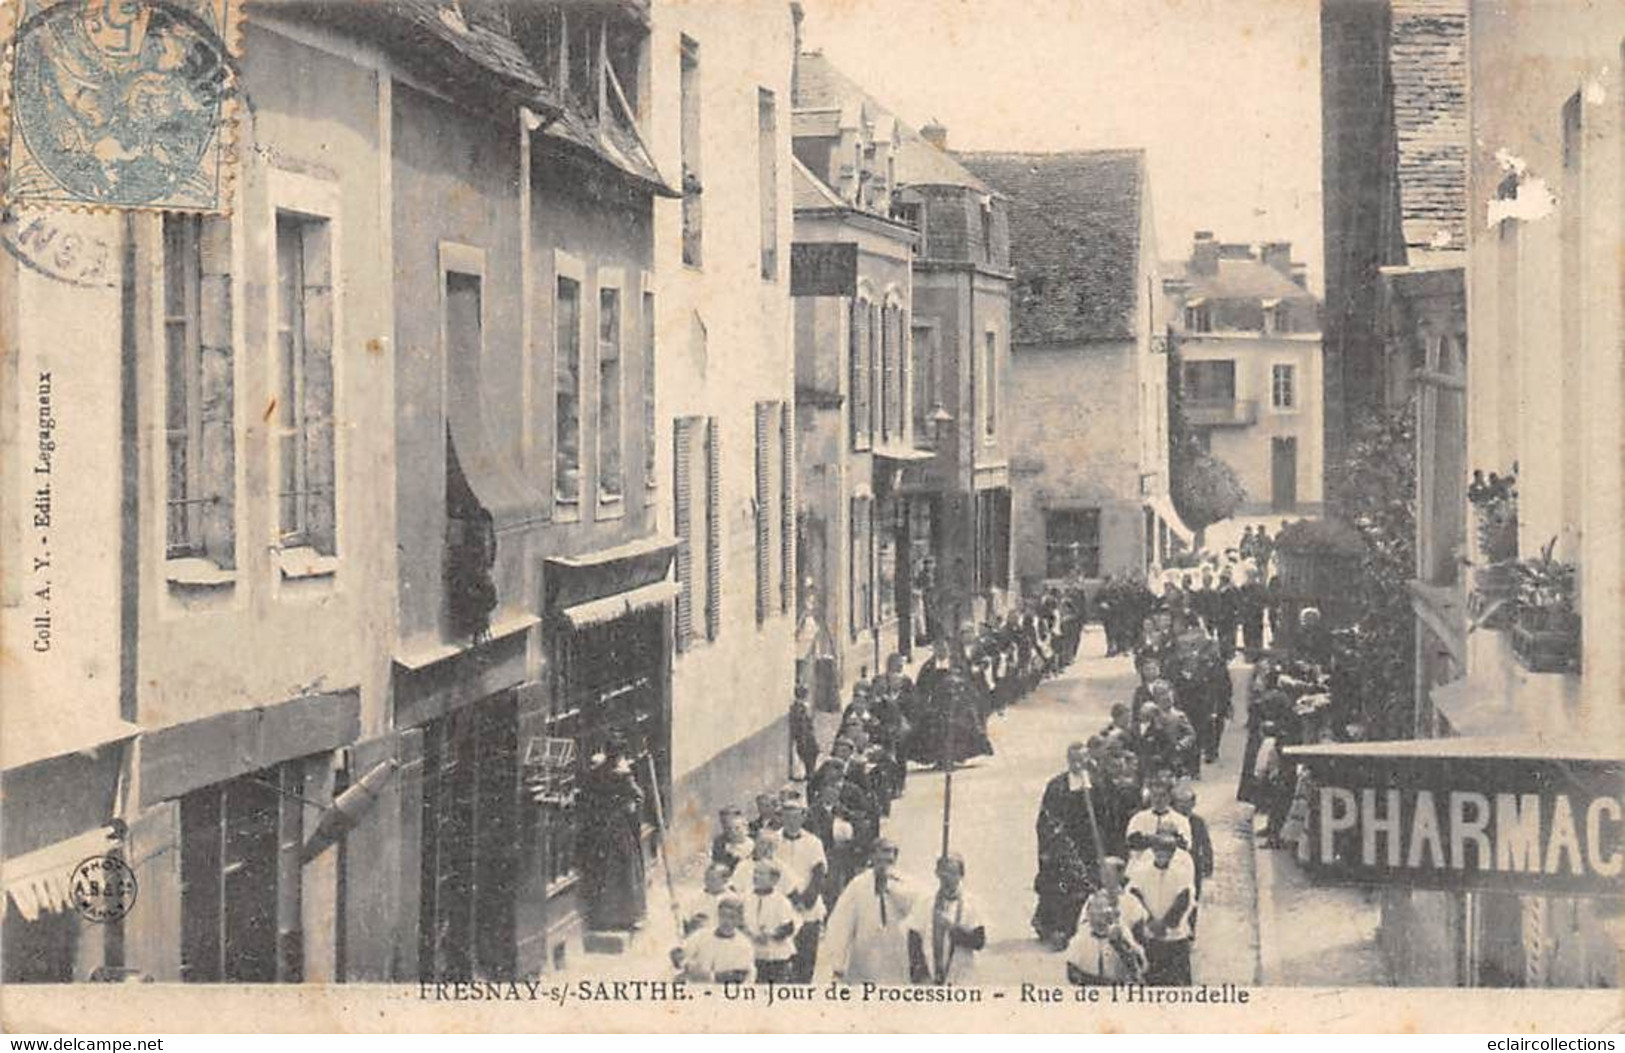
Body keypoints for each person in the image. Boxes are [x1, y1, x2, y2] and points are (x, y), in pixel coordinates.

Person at [1032, 743, 1104, 948]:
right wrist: (1051, 845)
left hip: (1088, 845)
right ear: (1068, 760)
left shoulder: (1096, 784)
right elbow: (1045, 819)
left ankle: (1078, 927)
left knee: (1085, 884)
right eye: (1074, 760)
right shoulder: (1057, 786)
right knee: (1060, 886)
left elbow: (1105, 815)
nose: (1078, 764)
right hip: (1062, 845)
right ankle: (1056, 927)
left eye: (1082, 759)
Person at [820, 838, 918, 984]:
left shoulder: (906, 884)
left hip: (896, 960)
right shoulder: (858, 885)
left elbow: (918, 911)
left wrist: (891, 888)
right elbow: (840, 924)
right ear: (872, 856)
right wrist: (838, 966)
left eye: (890, 855)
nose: (885, 859)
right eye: (881, 853)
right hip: (864, 963)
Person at [578, 737, 647, 931]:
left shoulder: (595, 772)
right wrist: (628, 806)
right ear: (620, 755)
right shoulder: (622, 775)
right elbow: (638, 796)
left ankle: (602, 915)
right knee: (624, 869)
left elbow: (586, 795)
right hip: (618, 827)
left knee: (602, 870)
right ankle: (625, 916)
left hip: (599, 826)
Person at [1126, 832, 1196, 986]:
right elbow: (1135, 896)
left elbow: (1184, 900)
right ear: (1153, 851)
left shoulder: (1181, 873)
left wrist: (1166, 924)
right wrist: (1150, 921)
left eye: (1167, 852)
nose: (1162, 855)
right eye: (1158, 851)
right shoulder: (1141, 872)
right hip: (1150, 934)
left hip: (1174, 934)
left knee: (1177, 981)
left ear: (1172, 854)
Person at [906, 853, 986, 985]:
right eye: (944, 872)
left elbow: (979, 942)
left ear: (961, 875)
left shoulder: (971, 904)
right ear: (937, 873)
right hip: (930, 978)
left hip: (962, 977)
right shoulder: (925, 901)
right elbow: (914, 937)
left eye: (953, 873)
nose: (948, 877)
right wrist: (920, 974)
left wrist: (952, 928)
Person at [778, 793, 828, 982]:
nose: (791, 821)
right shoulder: (774, 842)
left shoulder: (813, 842)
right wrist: (792, 899)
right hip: (783, 907)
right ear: (781, 817)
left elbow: (819, 872)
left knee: (806, 958)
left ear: (803, 817)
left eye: (796, 816)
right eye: (787, 816)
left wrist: (808, 899)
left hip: (808, 907)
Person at [1065, 891, 1147, 986]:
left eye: (1103, 912)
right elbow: (1072, 971)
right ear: (1088, 915)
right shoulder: (1082, 935)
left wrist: (1120, 945)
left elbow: (1138, 967)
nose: (1099, 917)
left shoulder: (1122, 932)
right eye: (1095, 911)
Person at [743, 859, 800, 983]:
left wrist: (771, 934)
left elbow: (788, 927)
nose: (756, 877)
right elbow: (740, 921)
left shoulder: (781, 901)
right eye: (755, 873)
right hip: (752, 954)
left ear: (774, 880)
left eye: (761, 874)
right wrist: (748, 933)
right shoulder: (745, 897)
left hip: (775, 956)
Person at [677, 894, 755, 984]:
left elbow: (738, 976)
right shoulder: (702, 935)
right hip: (698, 990)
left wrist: (707, 976)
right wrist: (685, 964)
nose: (726, 921)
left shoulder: (744, 945)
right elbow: (679, 951)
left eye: (732, 917)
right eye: (723, 915)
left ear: (739, 919)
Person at [1124, 777, 1193, 868]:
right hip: (1143, 868)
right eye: (1154, 795)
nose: (1158, 799)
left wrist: (1152, 840)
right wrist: (1160, 839)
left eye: (1163, 795)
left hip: (1173, 868)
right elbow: (1132, 842)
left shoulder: (1180, 820)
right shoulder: (1138, 818)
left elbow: (1185, 844)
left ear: (1169, 797)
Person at [1172, 783, 1214, 905]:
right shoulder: (1169, 820)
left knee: (1193, 899)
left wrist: (1208, 866)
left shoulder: (1198, 822)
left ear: (1193, 803)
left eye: (1187, 802)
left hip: (1193, 865)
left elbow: (1206, 844)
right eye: (1180, 802)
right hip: (1174, 866)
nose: (1184, 806)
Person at [680, 862, 735, 937]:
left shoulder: (733, 899)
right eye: (706, 878)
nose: (708, 882)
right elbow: (685, 922)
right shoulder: (695, 897)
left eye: (713, 879)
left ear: (724, 880)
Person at [789, 684, 821, 782]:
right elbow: (801, 724)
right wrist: (803, 737)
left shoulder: (802, 706)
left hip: (807, 733)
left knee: (813, 752)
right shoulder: (799, 707)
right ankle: (809, 773)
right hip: (804, 735)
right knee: (809, 753)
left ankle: (810, 772)